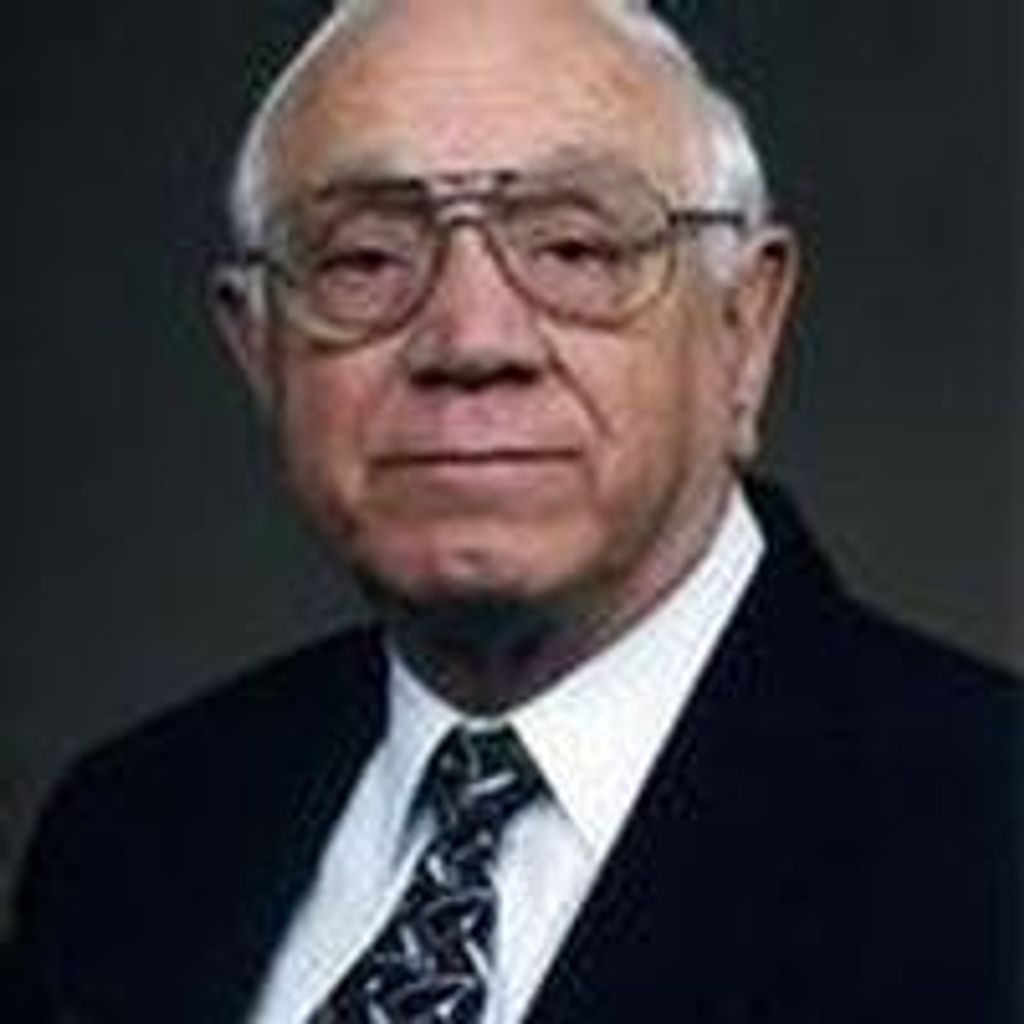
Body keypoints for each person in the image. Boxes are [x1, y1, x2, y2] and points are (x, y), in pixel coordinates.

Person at [4, 1, 1021, 1021]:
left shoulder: (989, 833)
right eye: (366, 258)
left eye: (573, 248)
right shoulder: (128, 836)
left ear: (744, 329)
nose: (471, 340)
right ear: (258, 347)